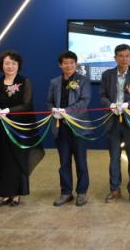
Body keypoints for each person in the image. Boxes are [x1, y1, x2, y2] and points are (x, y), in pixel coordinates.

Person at [0, 50, 43, 207]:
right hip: (0, 129)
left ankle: (16, 195)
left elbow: (26, 104)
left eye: (13, 63)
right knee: (2, 160)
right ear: (2, 65)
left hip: (19, 130)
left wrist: (9, 111)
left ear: (18, 65)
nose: (10, 66)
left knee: (16, 161)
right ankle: (4, 194)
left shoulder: (25, 82)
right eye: (7, 63)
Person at [99, 44, 130, 203]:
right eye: (121, 56)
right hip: (112, 120)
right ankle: (115, 189)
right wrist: (110, 105)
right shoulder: (107, 75)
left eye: (127, 56)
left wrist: (127, 105)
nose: (124, 59)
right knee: (114, 158)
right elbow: (102, 95)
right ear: (115, 58)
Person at [47, 50, 91, 207]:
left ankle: (82, 193)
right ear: (60, 65)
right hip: (60, 127)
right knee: (64, 162)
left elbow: (85, 101)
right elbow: (49, 102)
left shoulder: (83, 80)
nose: (68, 65)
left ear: (76, 64)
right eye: (65, 63)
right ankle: (66, 192)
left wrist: (66, 111)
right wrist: (53, 110)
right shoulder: (54, 82)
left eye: (71, 62)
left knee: (81, 162)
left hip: (78, 126)